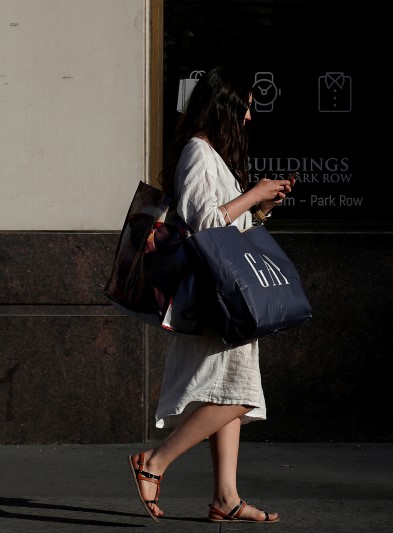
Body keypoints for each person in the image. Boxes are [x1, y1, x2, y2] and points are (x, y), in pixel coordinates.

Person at [128, 66, 295, 524]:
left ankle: (226, 497)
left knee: (231, 391)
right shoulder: (198, 153)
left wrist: (258, 208)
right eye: (244, 107)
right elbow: (205, 224)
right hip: (212, 299)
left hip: (223, 295)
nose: (248, 117)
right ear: (224, 105)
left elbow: (228, 226)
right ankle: (155, 461)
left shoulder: (210, 154)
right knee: (238, 396)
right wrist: (254, 193)